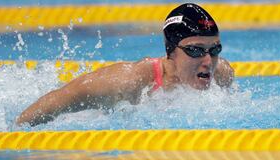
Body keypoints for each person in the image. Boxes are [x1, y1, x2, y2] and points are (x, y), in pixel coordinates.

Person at [16, 3, 234, 126]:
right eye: (195, 50)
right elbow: (61, 99)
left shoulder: (222, 74)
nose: (208, 62)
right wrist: (10, 135)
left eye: (214, 50)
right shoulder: (130, 81)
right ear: (170, 52)